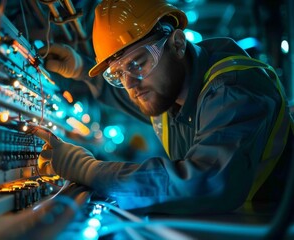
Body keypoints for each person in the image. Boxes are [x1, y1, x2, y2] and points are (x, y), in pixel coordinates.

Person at [32, 0, 294, 214]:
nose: (131, 84)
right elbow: (124, 95)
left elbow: (206, 182)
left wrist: (87, 170)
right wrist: (80, 67)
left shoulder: (234, 90)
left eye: (137, 64)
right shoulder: (169, 94)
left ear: (177, 44)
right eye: (118, 74)